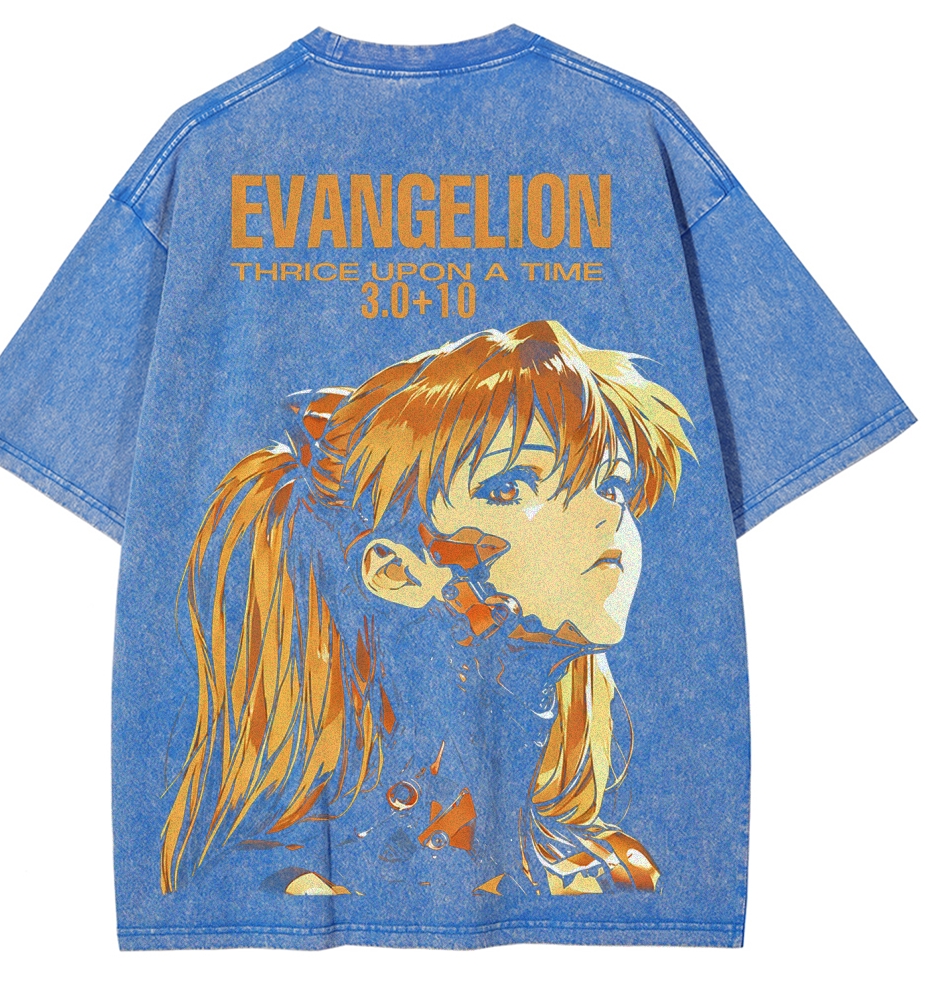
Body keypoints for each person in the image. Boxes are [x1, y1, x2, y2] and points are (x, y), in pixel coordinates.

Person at [160, 318, 695, 898]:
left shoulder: (615, 873)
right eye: (511, 486)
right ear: (396, 570)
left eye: (612, 484)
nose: (605, 511)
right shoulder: (302, 888)